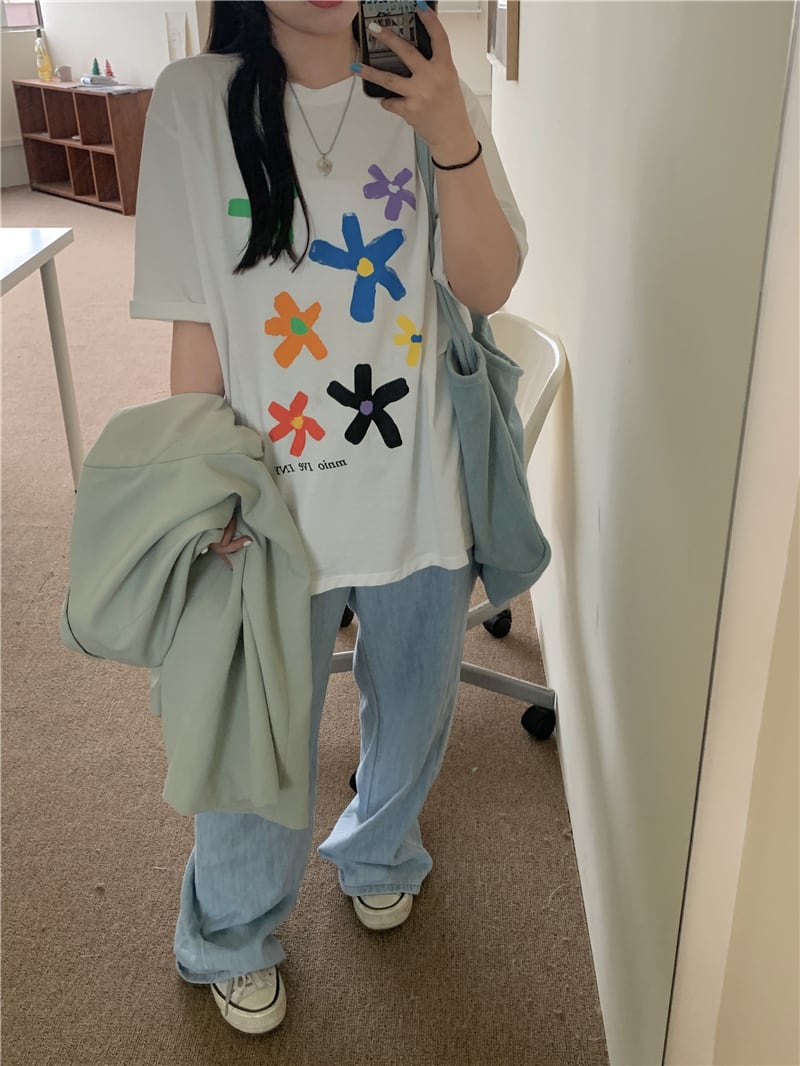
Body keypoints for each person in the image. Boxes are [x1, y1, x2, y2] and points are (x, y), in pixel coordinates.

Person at [130, 0, 526, 1035]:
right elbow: (194, 318)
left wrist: (449, 130)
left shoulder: (428, 92)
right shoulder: (194, 101)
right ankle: (231, 930)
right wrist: (201, 486)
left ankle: (380, 850)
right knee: (253, 732)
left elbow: (487, 285)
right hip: (268, 503)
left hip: (418, 490)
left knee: (416, 703)